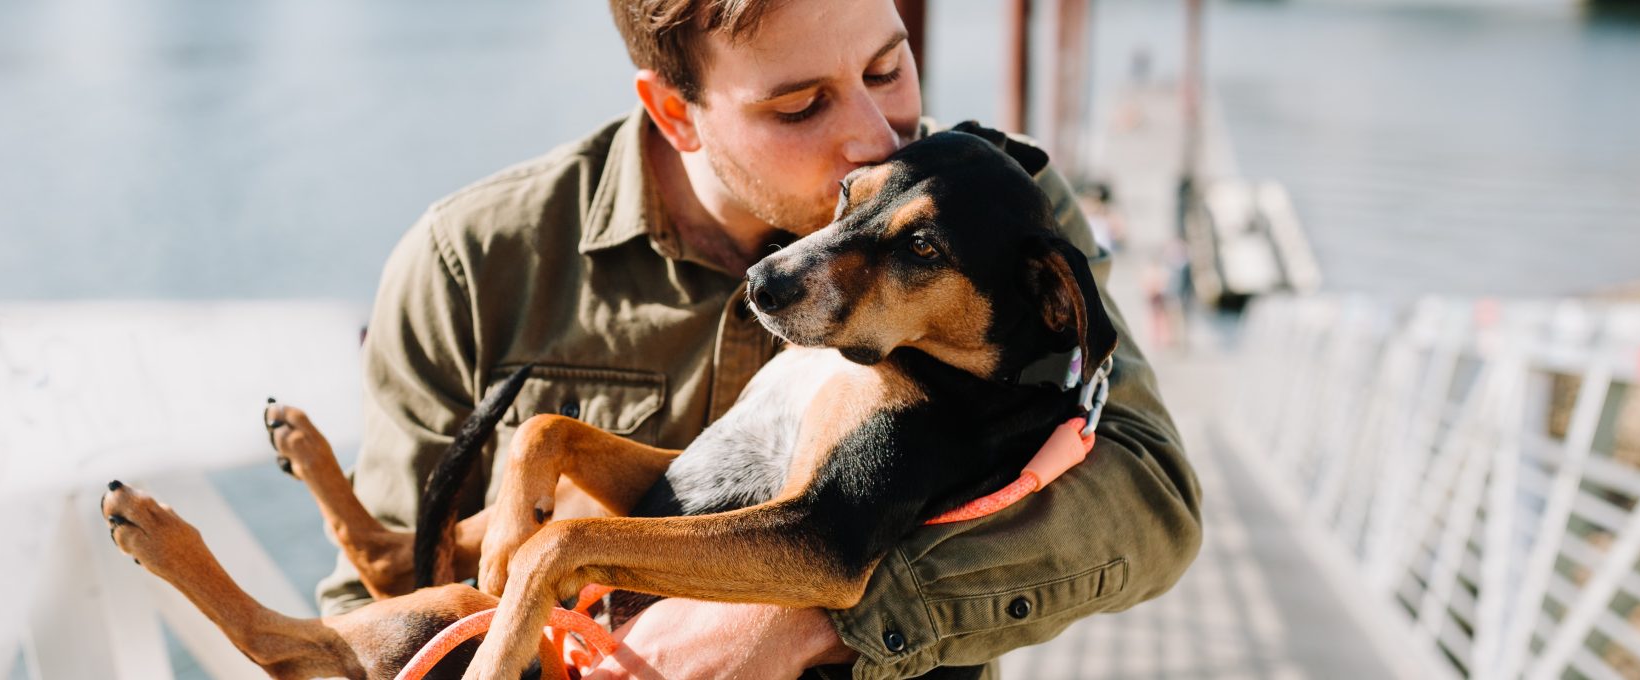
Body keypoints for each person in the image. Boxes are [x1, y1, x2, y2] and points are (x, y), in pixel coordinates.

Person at [317, 1, 1202, 678]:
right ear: (676, 112)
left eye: (888, 67)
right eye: (801, 106)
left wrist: (811, 613)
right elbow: (376, 598)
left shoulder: (998, 210)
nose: (875, 139)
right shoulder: (470, 263)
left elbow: (1155, 501)